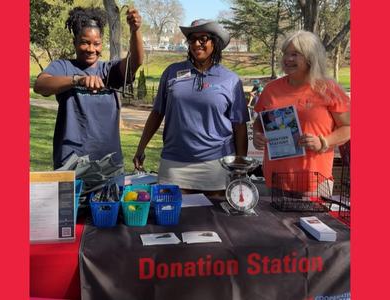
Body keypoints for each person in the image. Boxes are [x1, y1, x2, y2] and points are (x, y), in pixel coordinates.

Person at [133, 19, 249, 196]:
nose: (196, 44)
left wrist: (240, 165)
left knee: (214, 221)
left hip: (217, 165)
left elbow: (239, 125)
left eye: (203, 39)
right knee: (169, 218)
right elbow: (157, 113)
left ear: (214, 43)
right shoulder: (172, 72)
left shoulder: (230, 79)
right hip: (174, 163)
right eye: (192, 39)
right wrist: (141, 148)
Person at [34, 6, 143, 169]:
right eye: (85, 43)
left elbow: (136, 62)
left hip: (109, 164)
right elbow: (40, 85)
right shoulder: (63, 67)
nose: (91, 49)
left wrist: (135, 31)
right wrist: (78, 80)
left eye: (96, 44)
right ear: (75, 42)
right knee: (69, 196)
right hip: (70, 163)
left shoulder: (109, 70)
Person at [253, 30, 350, 194]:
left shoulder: (329, 90)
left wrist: (324, 142)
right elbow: (259, 123)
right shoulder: (271, 89)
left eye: (295, 54)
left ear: (311, 57)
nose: (287, 59)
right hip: (275, 180)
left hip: (313, 182)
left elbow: (349, 127)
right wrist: (257, 136)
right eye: (285, 53)